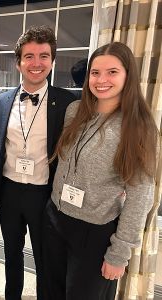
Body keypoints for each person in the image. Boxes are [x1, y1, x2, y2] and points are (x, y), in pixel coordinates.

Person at [42, 42, 159, 299]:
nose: (101, 80)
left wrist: (119, 253)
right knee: (50, 292)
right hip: (56, 218)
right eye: (95, 73)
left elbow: (141, 196)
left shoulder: (139, 127)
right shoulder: (74, 111)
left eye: (112, 72)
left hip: (94, 231)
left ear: (128, 75)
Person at [0, 26, 76, 300]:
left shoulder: (68, 103)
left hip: (45, 194)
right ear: (18, 62)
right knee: (11, 256)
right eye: (29, 56)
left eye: (44, 56)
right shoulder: (1, 100)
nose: (36, 63)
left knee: (46, 260)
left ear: (52, 61)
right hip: (8, 192)